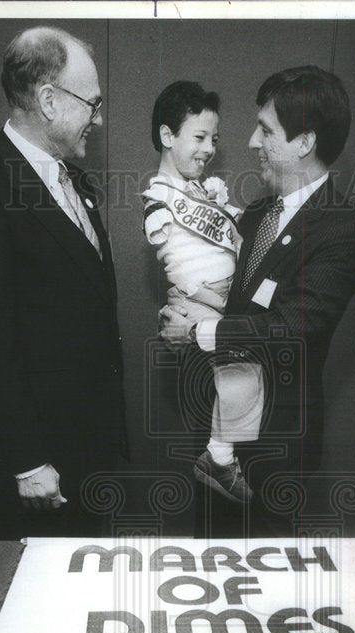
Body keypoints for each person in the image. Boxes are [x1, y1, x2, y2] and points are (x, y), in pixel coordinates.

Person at [160, 66, 355, 535]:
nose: (252, 142)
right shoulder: (255, 214)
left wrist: (197, 332)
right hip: (214, 440)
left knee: (265, 591)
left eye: (266, 130)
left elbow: (293, 325)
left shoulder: (347, 231)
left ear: (304, 143)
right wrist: (183, 313)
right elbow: (227, 301)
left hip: (276, 454)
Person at [0, 26, 128, 538]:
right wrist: (27, 460)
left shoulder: (76, 184)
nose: (99, 118)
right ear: (48, 99)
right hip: (44, 472)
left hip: (93, 458)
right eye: (93, 103)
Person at [143, 81, 263, 505]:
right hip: (199, 305)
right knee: (242, 372)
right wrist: (204, 299)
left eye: (214, 138)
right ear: (166, 136)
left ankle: (219, 455)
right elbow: (168, 244)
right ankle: (219, 456)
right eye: (199, 137)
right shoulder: (160, 196)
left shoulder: (200, 192)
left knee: (243, 374)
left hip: (215, 305)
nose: (210, 147)